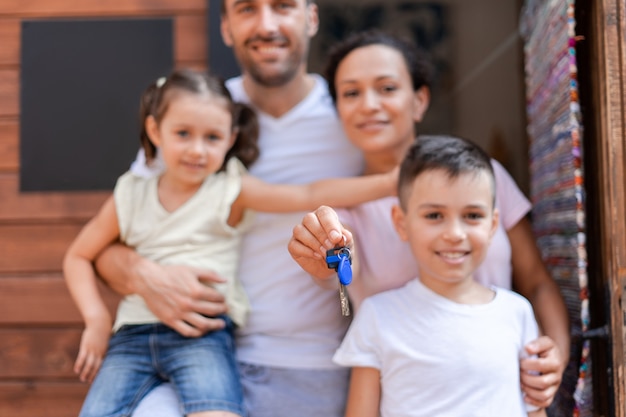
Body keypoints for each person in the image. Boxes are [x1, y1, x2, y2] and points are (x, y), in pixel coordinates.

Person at [64, 68, 397, 417]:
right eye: (182, 134)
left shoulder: (229, 189)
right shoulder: (130, 193)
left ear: (230, 138)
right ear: (154, 130)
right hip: (130, 338)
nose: (197, 150)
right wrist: (96, 318)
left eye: (212, 137)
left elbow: (308, 193)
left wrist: (389, 183)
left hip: (203, 338)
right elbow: (79, 255)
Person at [287, 30, 570, 410]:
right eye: (351, 93)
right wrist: (323, 261)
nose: (369, 104)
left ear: (419, 100)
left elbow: (535, 281)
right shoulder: (344, 211)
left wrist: (555, 357)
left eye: (387, 88)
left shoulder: (483, 177)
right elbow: (335, 261)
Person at [334, 134, 546, 417]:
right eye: (434, 216)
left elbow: (535, 411)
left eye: (472, 215)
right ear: (401, 222)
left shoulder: (517, 314)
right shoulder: (377, 316)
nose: (455, 234)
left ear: (493, 224)